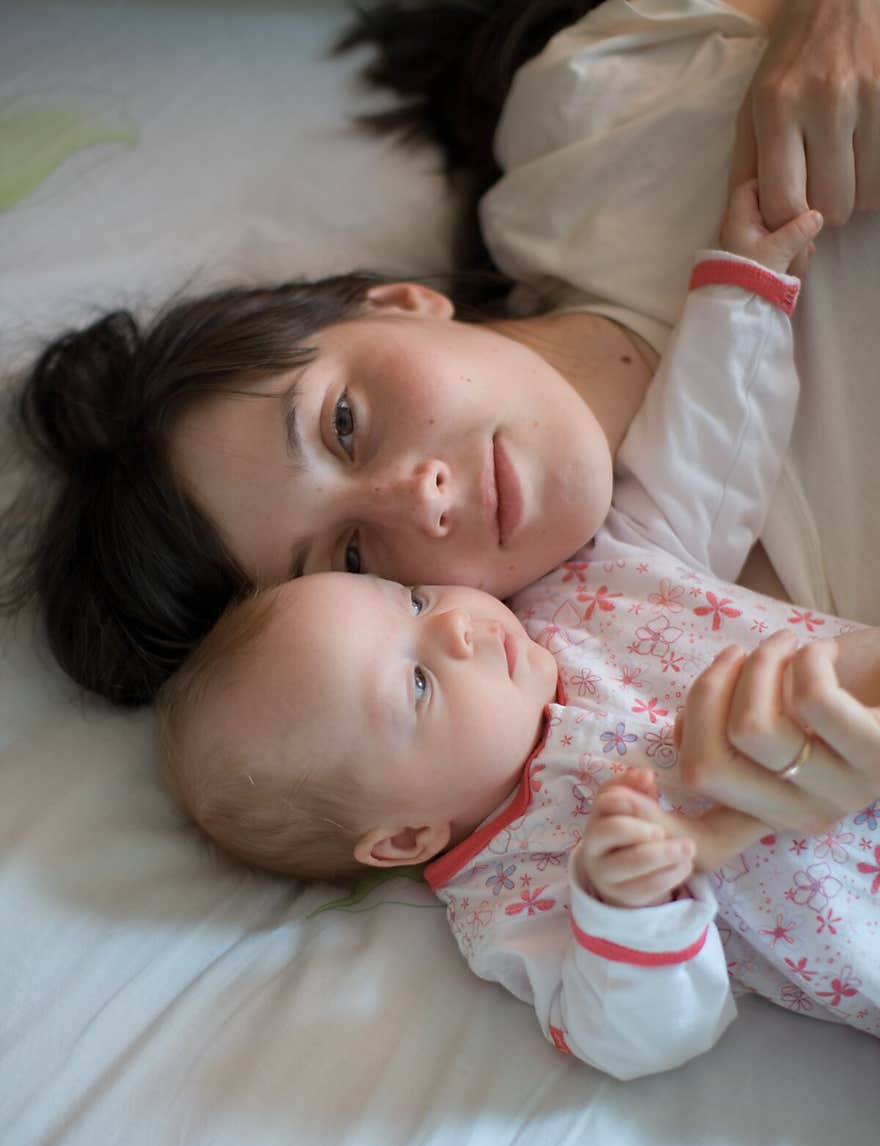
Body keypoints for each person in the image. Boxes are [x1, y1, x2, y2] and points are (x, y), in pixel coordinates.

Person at [155, 188, 880, 1079]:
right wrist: (628, 910)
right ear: (404, 837)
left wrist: (741, 294)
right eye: (416, 685)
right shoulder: (512, 890)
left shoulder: (581, 585)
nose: (455, 630)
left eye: (412, 603)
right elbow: (641, 1036)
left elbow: (704, 464)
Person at [4, 0, 880, 711]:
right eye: (351, 560)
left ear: (394, 301)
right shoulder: (763, 655)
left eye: (342, 424)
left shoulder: (589, 121)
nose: (413, 499)